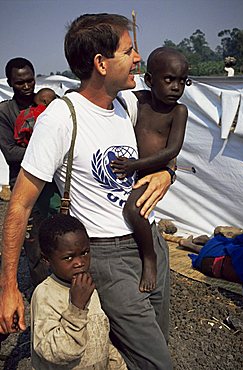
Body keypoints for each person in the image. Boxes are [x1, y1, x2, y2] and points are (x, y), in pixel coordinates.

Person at [0, 14, 173, 370]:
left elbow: (166, 138)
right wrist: (9, 288)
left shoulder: (129, 105)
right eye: (129, 51)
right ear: (101, 63)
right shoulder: (60, 119)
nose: (138, 58)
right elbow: (18, 206)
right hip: (107, 254)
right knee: (158, 361)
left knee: (153, 344)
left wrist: (167, 173)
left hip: (150, 242)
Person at [111, 47, 189, 292]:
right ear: (149, 80)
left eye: (182, 81)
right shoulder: (139, 101)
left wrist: (135, 165)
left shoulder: (178, 111)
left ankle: (150, 257)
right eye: (169, 80)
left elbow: (171, 151)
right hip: (133, 171)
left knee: (134, 210)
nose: (176, 87)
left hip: (152, 173)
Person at [31, 213, 127, 370]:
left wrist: (116, 364)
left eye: (84, 252)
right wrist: (76, 309)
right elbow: (53, 352)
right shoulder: (45, 295)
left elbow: (100, 334)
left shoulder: (86, 286)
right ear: (46, 259)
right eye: (69, 258)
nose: (80, 262)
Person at [0, 57, 50, 287]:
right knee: (32, 240)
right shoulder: (5, 112)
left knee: (58, 233)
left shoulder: (46, 104)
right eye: (20, 83)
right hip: (23, 182)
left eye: (30, 80)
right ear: (10, 82)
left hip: (51, 183)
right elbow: (10, 153)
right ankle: (41, 290)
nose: (27, 86)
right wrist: (46, 150)